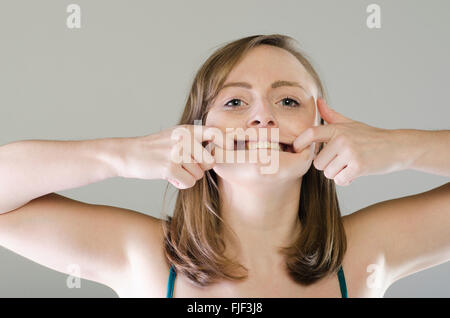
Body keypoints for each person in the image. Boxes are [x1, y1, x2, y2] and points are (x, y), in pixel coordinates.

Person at [0, 34, 449, 298]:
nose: (263, 117)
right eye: (235, 101)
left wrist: (399, 147)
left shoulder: (364, 254)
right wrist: (122, 155)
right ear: (195, 133)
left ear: (322, 129)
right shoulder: (147, 258)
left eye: (288, 100)